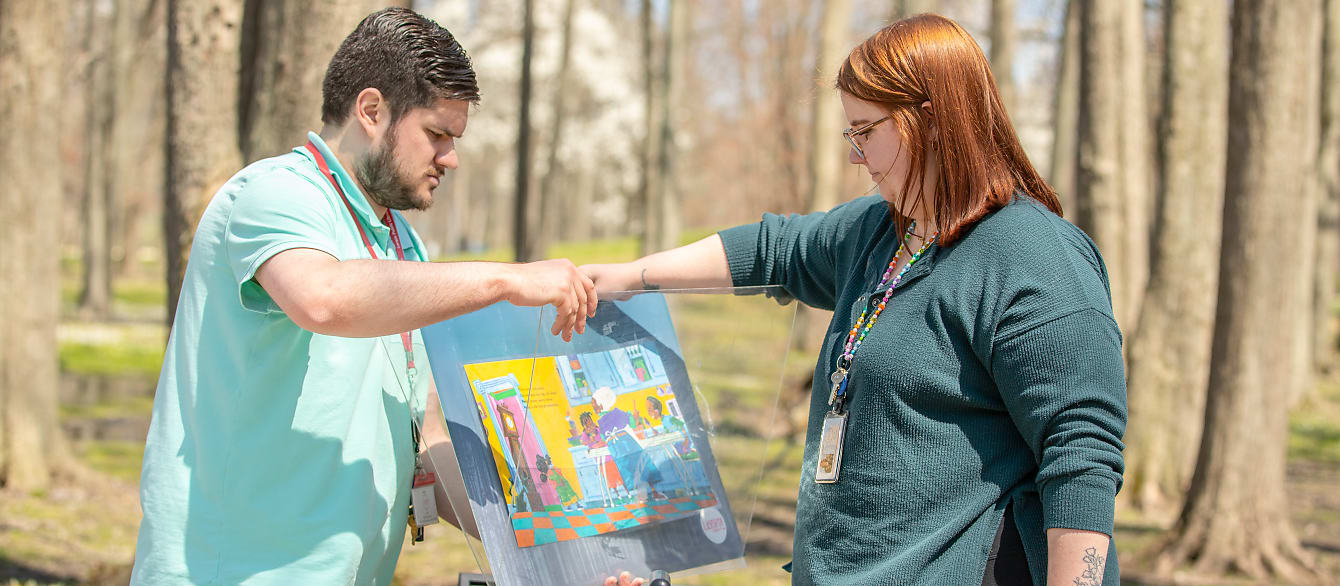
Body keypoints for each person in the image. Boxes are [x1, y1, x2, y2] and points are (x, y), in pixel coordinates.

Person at [586, 14, 1125, 586]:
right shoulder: (879, 231)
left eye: (865, 131)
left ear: (933, 121)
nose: (854, 155)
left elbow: (1080, 460)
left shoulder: (1037, 258)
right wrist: (624, 278)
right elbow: (774, 250)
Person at [131, 8, 597, 585]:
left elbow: (422, 437)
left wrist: (565, 539)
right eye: (437, 134)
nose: (450, 158)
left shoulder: (404, 247)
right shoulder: (273, 192)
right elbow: (322, 298)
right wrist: (505, 279)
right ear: (371, 111)